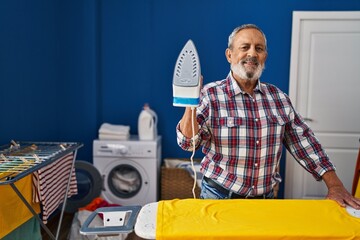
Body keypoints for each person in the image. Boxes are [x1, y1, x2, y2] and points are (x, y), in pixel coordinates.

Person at [176, 24, 360, 209]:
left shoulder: (278, 98)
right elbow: (187, 143)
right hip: (219, 199)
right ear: (229, 55)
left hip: (265, 202)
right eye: (245, 47)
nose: (252, 54)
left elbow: (305, 143)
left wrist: (335, 185)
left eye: (259, 48)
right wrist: (191, 103)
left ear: (265, 56)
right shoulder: (209, 95)